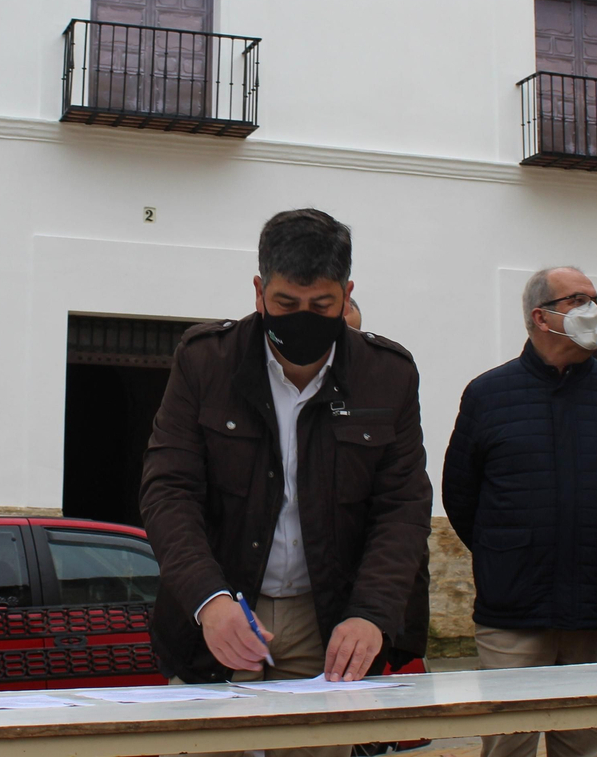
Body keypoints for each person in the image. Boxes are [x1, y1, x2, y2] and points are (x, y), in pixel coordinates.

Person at [140, 208, 432, 756]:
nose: (303, 318)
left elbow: (404, 506)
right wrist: (208, 598)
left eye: (321, 306)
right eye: (285, 305)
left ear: (347, 294)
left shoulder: (387, 373)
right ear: (258, 291)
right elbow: (168, 490)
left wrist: (371, 612)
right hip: (222, 612)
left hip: (327, 618)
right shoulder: (205, 363)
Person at [442, 265, 597, 757]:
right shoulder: (488, 394)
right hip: (515, 609)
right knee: (509, 744)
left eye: (596, 300)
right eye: (579, 300)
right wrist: (508, 552)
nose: (594, 311)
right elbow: (460, 496)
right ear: (541, 317)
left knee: (586, 745)